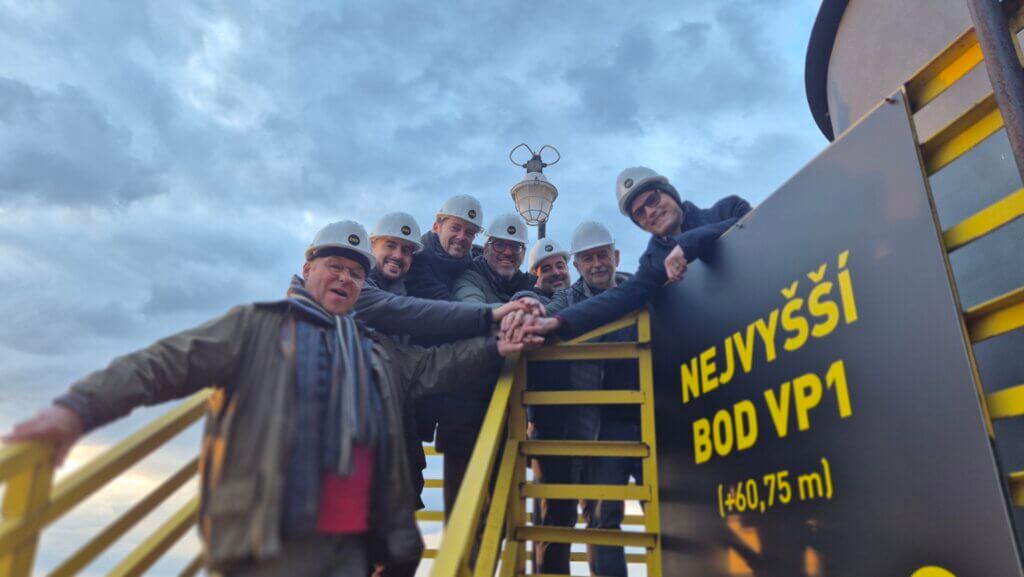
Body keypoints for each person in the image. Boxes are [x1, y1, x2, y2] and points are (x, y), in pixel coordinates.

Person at [4, 220, 540, 577]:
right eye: (334, 267)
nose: (345, 279)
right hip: (270, 541)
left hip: (354, 540)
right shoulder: (257, 328)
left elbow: (434, 367)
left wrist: (496, 346)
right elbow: (165, 363)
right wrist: (76, 409)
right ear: (307, 271)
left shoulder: (377, 350)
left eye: (356, 273)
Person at [360, 212, 539, 577]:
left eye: (406, 251)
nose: (398, 256)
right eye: (390, 246)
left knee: (403, 552)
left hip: (400, 431)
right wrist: (493, 316)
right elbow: (413, 313)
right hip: (358, 442)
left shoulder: (404, 300)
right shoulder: (363, 295)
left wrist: (498, 340)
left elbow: (428, 364)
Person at [514, 166, 752, 341]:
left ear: (670, 193)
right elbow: (618, 298)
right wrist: (557, 321)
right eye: (639, 212)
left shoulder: (729, 209)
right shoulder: (654, 264)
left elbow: (753, 225)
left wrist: (687, 245)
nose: (650, 212)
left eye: (653, 199)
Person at [440, 213, 537, 515]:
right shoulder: (469, 276)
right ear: (486, 246)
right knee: (462, 510)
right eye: (500, 245)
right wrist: (520, 311)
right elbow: (472, 309)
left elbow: (555, 300)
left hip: (508, 413)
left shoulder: (526, 282)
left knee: (503, 513)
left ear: (523, 253)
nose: (507, 252)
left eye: (515, 247)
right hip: (464, 413)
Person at [403, 195, 485, 301]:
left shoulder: (474, 262)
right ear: (436, 227)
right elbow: (445, 305)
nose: (461, 237)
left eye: (469, 233)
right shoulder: (416, 262)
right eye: (455, 228)